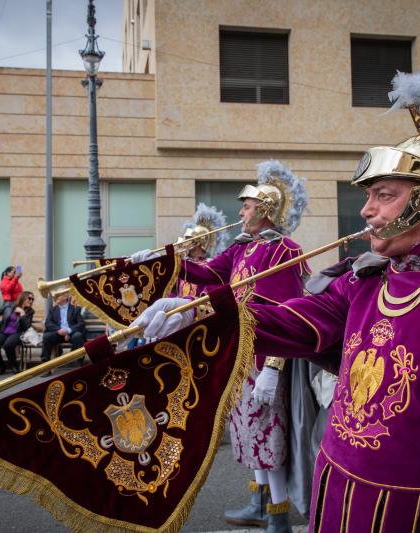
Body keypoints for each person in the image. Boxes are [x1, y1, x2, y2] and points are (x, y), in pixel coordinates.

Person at [137, 68, 420, 532]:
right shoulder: (367, 280)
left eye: (384, 195)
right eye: (370, 196)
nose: (366, 210)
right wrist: (202, 314)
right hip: (340, 497)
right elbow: (295, 322)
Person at [133, 161, 313, 531]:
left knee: (269, 437)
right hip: (237, 355)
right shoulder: (242, 249)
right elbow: (207, 272)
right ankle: (259, 503)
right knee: (248, 435)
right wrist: (165, 262)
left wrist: (273, 369)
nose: (241, 212)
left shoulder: (284, 251)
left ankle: (278, 517)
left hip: (264, 361)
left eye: (246, 206)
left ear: (263, 210)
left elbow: (287, 313)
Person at [175, 202, 228, 298]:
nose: (183, 242)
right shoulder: (185, 264)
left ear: (198, 243)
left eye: (188, 239)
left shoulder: (210, 266)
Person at [0, 291, 34, 374]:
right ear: (23, 298)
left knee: (8, 344)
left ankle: (13, 366)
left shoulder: (30, 311)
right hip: (5, 331)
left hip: (18, 332)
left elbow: (27, 327)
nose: (31, 301)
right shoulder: (8, 306)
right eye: (29, 298)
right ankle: (0, 366)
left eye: (32, 299)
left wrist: (23, 314)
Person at [41, 293, 85, 363]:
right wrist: (59, 330)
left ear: (65, 297)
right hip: (58, 333)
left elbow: (81, 324)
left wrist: (68, 330)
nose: (55, 296)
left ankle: (79, 362)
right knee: (46, 336)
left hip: (71, 334)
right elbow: (48, 323)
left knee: (78, 336)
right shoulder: (53, 309)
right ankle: (44, 362)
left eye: (58, 295)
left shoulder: (75, 309)